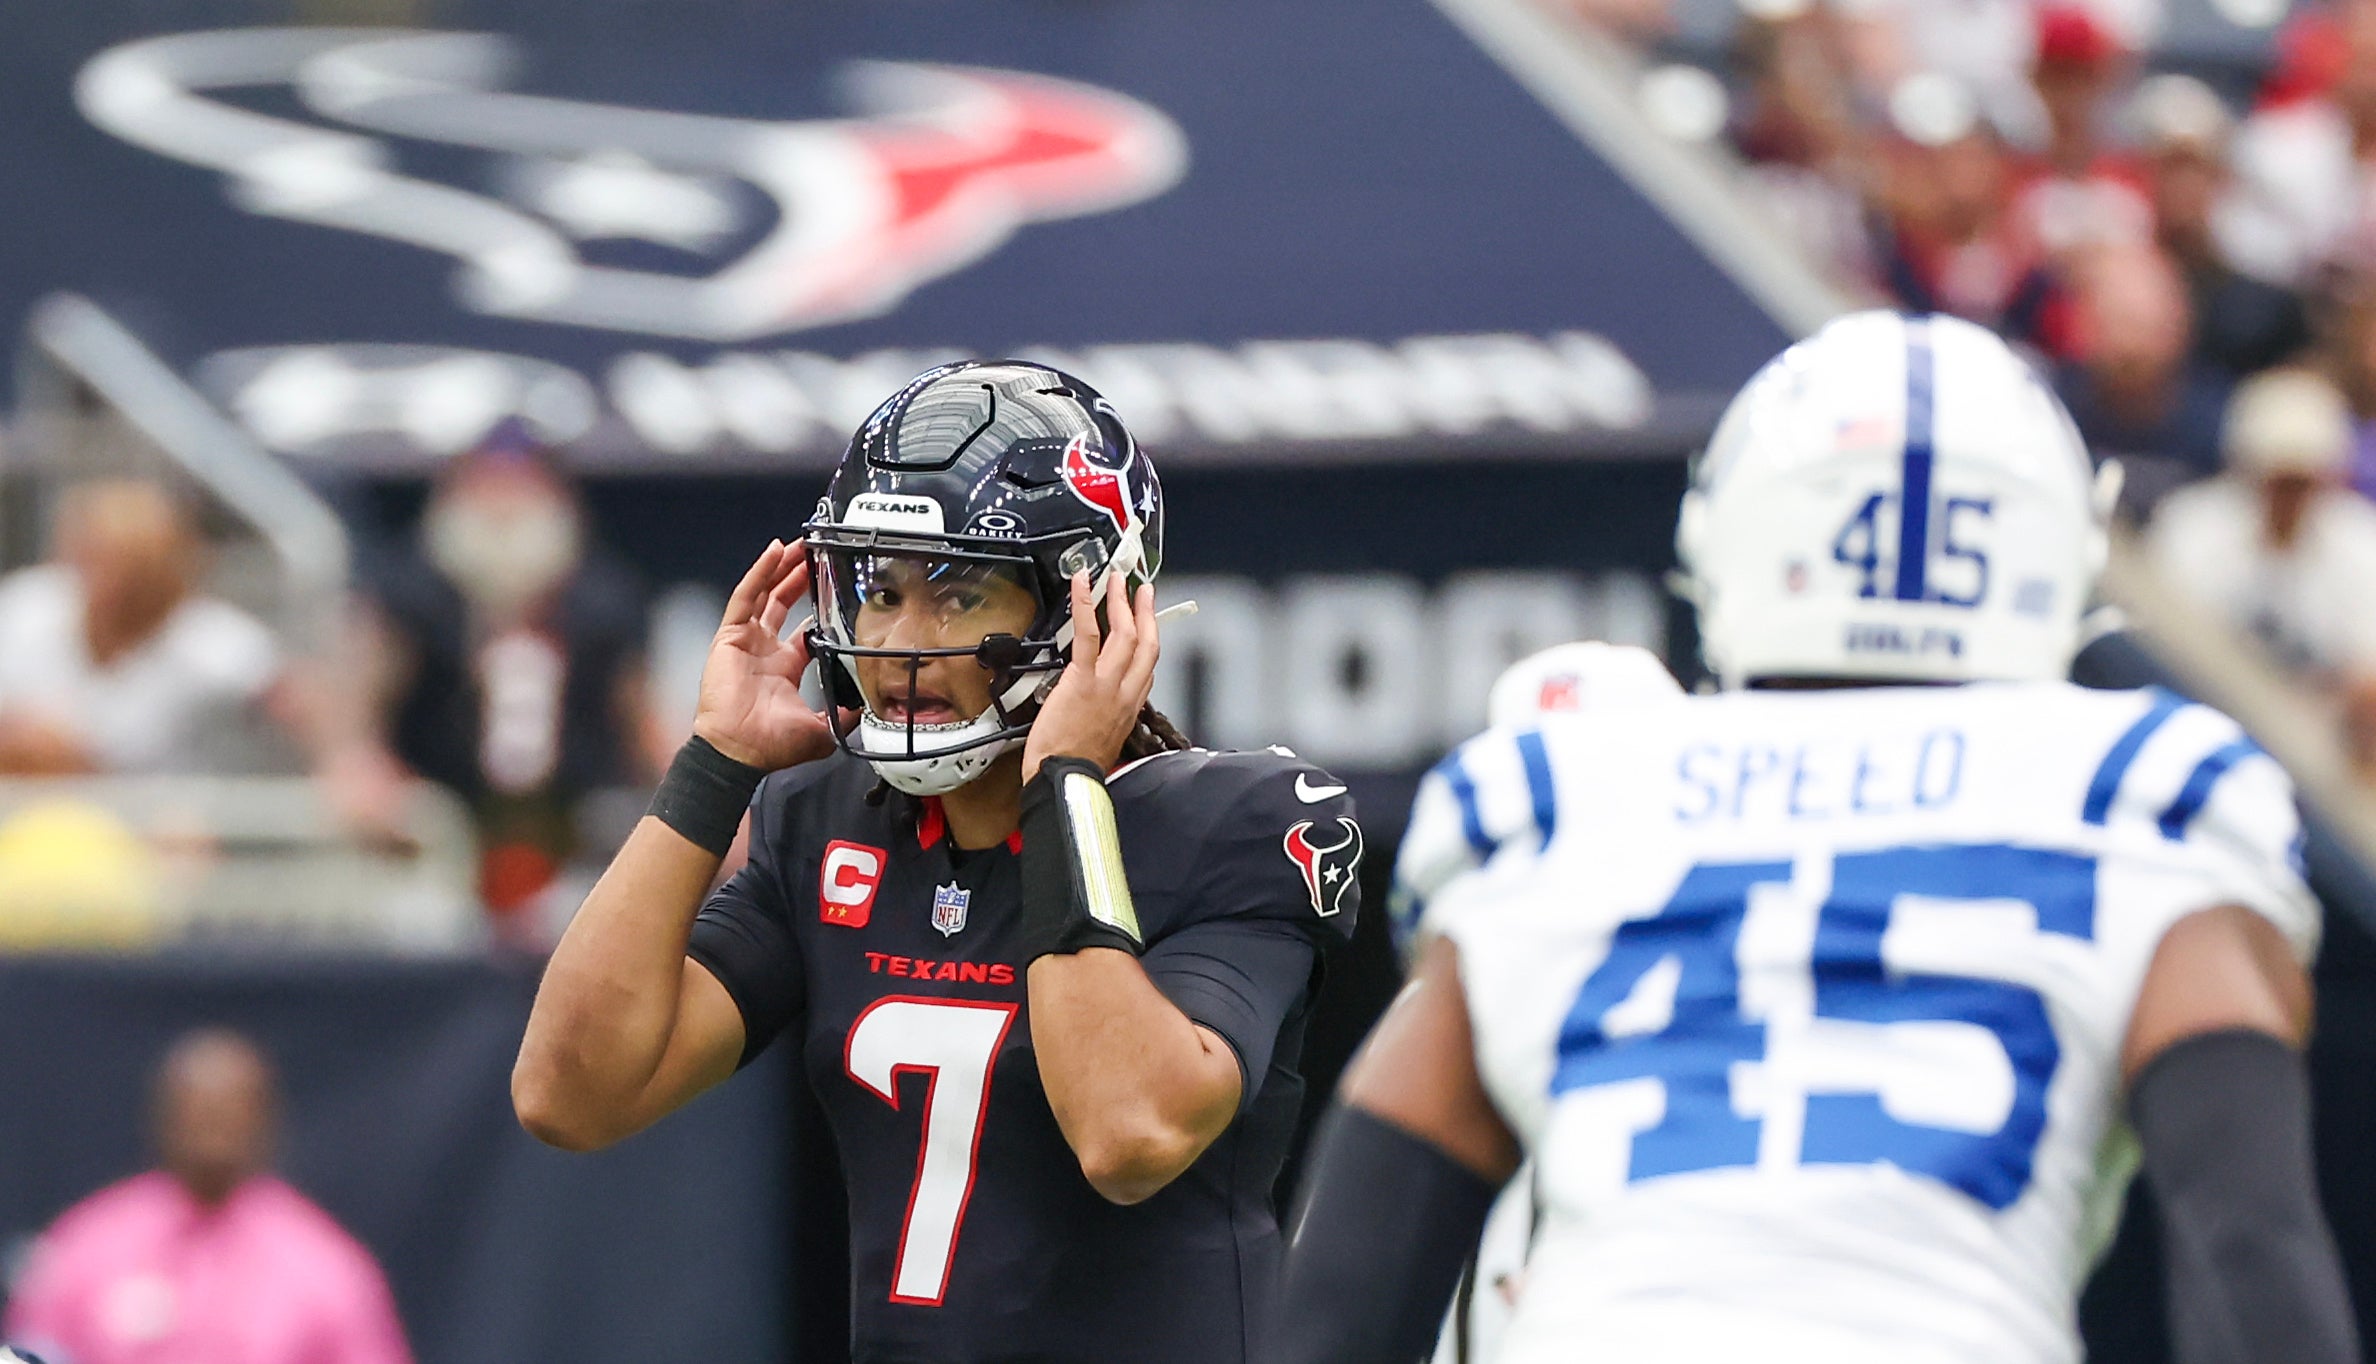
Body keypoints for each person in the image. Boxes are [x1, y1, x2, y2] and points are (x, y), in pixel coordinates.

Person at [1276, 312, 2356, 1364]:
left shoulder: (1569, 791)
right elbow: (2248, 1238)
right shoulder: (2138, 787)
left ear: (1731, 531)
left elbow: (1357, 1270)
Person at [512, 361, 1362, 1362]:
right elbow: (572, 1092)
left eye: (959, 595)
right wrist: (713, 767)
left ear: (1086, 603)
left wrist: (1063, 788)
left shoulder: (1226, 825)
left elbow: (1129, 1133)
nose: (896, 644)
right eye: (880, 590)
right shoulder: (829, 822)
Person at [355, 427, 662, 916]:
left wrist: (697, 801)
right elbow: (359, 703)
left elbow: (641, 722)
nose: (502, 507)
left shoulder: (602, 600)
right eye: (485, 488)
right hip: (439, 825)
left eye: (518, 488)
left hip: (576, 827)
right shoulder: (411, 594)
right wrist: (360, 764)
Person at [4, 1030, 413, 1364]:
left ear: (264, 1120)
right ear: (163, 1118)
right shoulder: (88, 1246)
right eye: (198, 1111)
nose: (212, 1130)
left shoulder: (324, 1266)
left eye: (228, 1112)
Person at [2149, 367, 2376, 775]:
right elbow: (2160, 653)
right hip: (2200, 728)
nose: (2289, 498)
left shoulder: (2362, 545)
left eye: (2303, 481)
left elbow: (2366, 683)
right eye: (2278, 479)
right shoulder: (2189, 530)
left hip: (2317, 761)